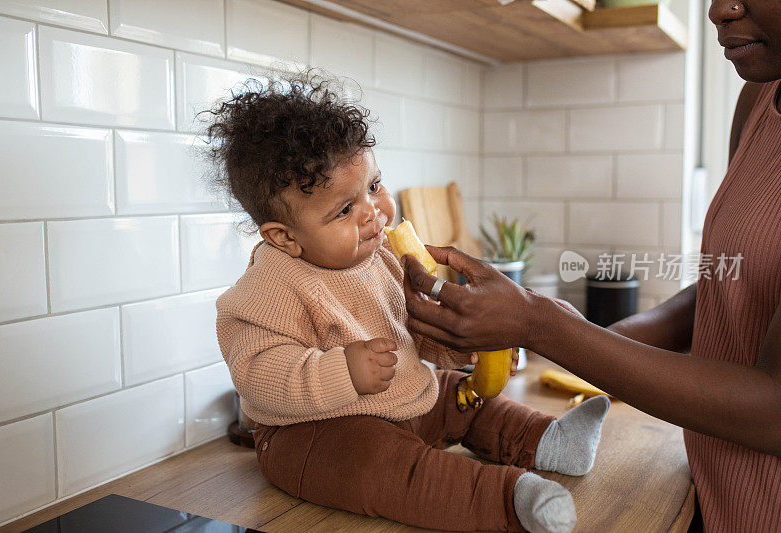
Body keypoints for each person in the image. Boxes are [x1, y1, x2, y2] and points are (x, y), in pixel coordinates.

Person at [400, 1, 781, 531]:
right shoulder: (759, 98)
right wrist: (600, 342)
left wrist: (544, 324)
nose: (718, 9)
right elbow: (733, 283)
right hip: (709, 487)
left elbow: (774, 410)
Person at [207, 72, 610, 533]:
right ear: (285, 237)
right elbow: (259, 378)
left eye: (374, 187)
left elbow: (414, 329)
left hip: (408, 401)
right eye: (344, 210)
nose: (374, 211)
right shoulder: (268, 288)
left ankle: (552, 440)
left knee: (460, 397)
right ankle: (509, 500)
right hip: (319, 434)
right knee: (386, 467)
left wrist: (463, 347)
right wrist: (343, 372)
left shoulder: (381, 256)